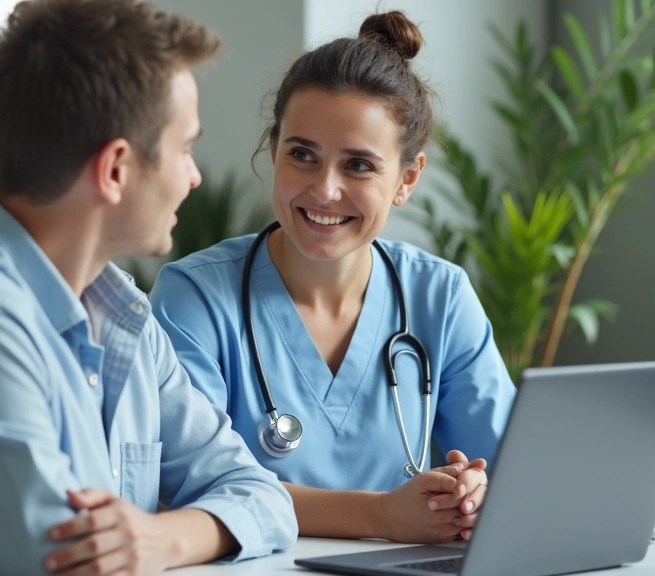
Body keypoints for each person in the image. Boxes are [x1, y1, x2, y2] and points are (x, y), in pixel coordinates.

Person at [0, 1, 297, 574]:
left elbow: (263, 496)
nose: (193, 176)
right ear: (115, 169)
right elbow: (71, 563)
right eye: (185, 149)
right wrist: (166, 537)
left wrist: (166, 539)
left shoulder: (123, 312)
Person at [150, 11, 515, 544]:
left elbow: (510, 470)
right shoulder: (195, 298)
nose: (324, 190)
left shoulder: (441, 297)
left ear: (407, 178)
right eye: (302, 155)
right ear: (273, 150)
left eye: (359, 165)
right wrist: (380, 516)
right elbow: (189, 485)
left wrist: (472, 492)